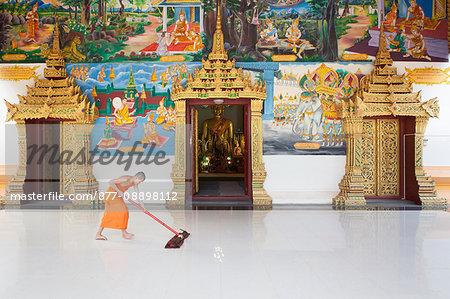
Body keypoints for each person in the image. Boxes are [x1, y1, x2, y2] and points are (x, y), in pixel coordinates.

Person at [95, 172, 146, 240]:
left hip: (118, 196)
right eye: (140, 181)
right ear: (136, 178)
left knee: (119, 213)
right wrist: (118, 191)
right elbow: (111, 182)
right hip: (111, 195)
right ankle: (123, 233)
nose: (139, 183)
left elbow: (138, 195)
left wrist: (143, 207)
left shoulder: (134, 183)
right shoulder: (126, 179)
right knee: (123, 211)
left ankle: (99, 234)